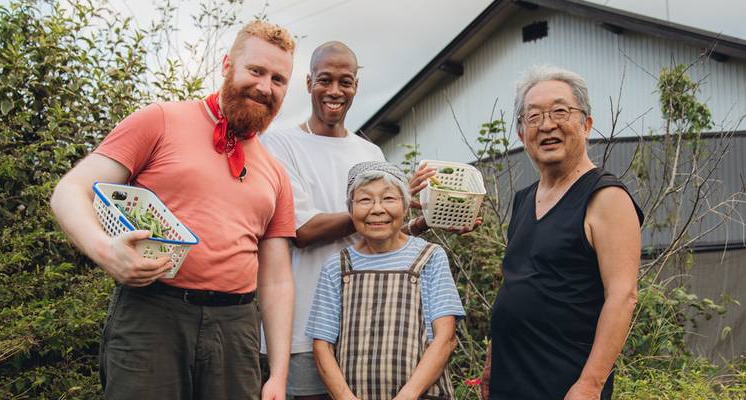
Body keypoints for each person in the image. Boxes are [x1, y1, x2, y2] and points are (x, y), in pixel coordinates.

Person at [50, 20, 297, 400]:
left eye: (278, 79)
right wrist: (106, 252)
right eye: (256, 70)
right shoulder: (160, 120)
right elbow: (70, 190)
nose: (265, 87)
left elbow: (277, 281)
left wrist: (278, 375)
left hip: (236, 328)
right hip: (152, 314)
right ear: (226, 65)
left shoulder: (277, 174)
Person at [260, 41, 437, 399]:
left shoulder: (369, 152)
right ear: (309, 82)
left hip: (365, 330)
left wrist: (418, 219)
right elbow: (301, 230)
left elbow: (380, 238)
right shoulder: (279, 145)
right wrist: (385, 203)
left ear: (356, 85)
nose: (335, 91)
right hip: (301, 333)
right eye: (325, 80)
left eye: (346, 81)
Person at [481, 66, 644, 400]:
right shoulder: (524, 199)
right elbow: (517, 284)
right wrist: (492, 362)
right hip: (509, 381)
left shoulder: (606, 197)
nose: (547, 124)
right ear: (521, 133)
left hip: (565, 383)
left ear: (585, 124)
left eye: (560, 111)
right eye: (534, 116)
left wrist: (590, 384)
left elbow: (623, 295)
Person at [306, 161, 465, 400]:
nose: (377, 209)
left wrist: (406, 396)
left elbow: (446, 338)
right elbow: (322, 346)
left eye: (389, 198)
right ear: (351, 210)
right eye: (365, 200)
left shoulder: (430, 258)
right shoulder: (336, 267)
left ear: (405, 206)